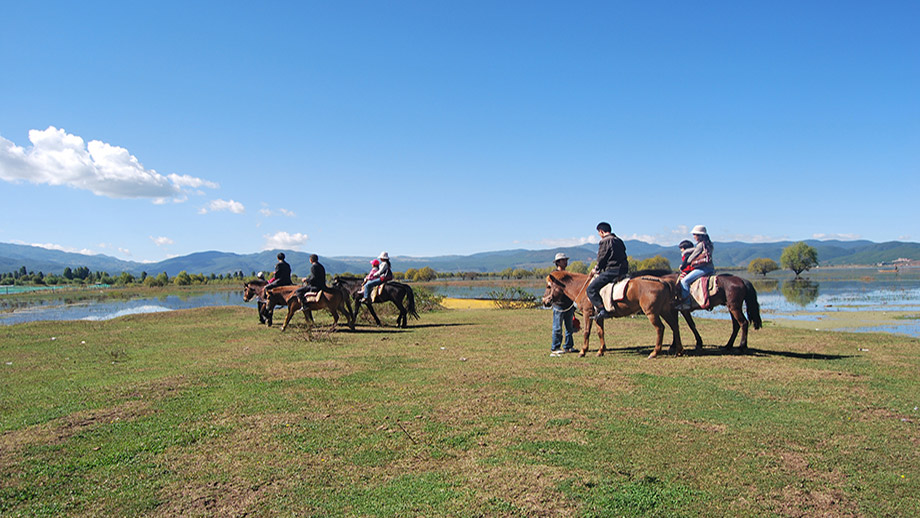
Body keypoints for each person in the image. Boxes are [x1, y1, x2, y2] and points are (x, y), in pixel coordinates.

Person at [586, 222, 628, 322]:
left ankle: (602, 310)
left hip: (612, 271)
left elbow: (602, 258)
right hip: (623, 270)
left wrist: (596, 269)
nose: (599, 235)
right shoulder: (619, 240)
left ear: (601, 231)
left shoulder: (605, 241)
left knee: (590, 289)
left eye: (599, 233)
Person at [676, 225, 715, 309]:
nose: (694, 237)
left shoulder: (700, 245)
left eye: (695, 235)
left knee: (684, 281)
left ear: (700, 235)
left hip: (703, 269)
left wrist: (684, 264)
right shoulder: (708, 244)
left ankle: (686, 303)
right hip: (710, 268)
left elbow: (691, 258)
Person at [549, 253, 577, 356]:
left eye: (566, 260)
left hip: (568, 304)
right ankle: (555, 347)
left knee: (569, 327)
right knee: (557, 327)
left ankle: (568, 346)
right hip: (558, 304)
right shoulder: (554, 275)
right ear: (558, 262)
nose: (566, 262)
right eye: (563, 260)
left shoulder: (567, 274)